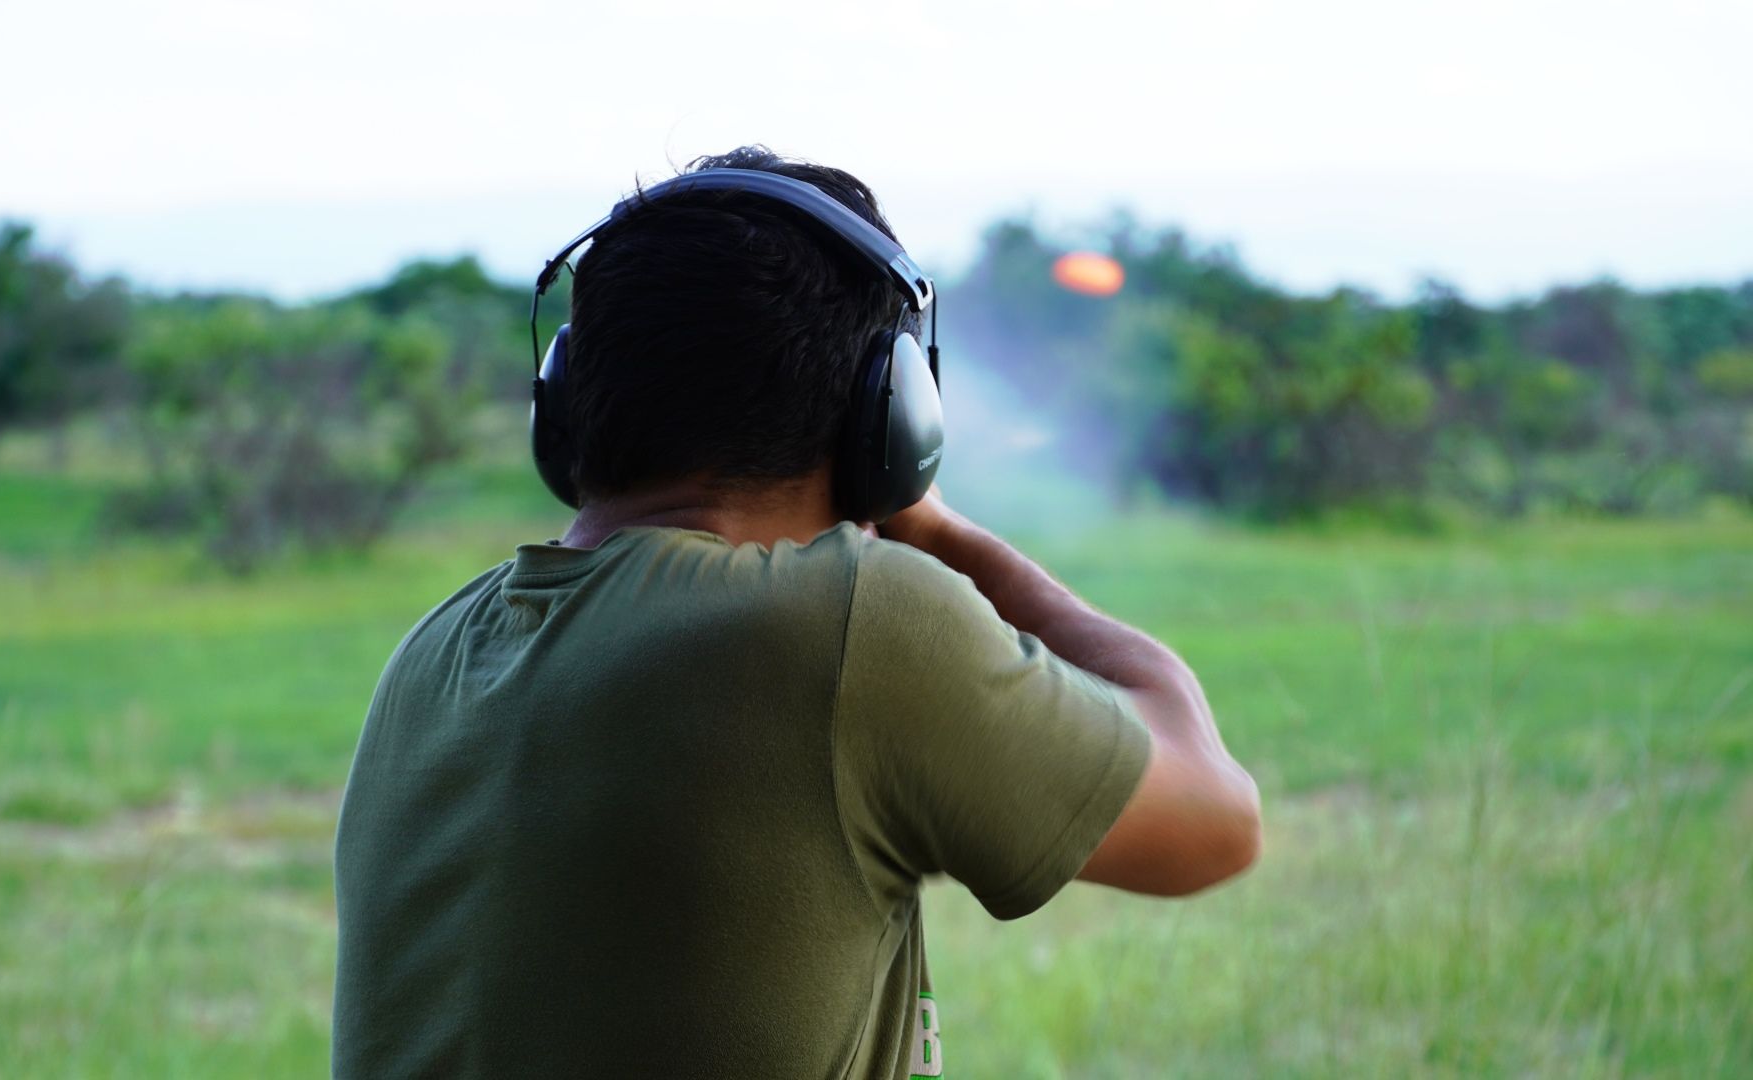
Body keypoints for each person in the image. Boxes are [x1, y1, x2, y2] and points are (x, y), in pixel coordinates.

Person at [331, 145, 1260, 1079]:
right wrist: (929, 528)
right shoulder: (843, 626)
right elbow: (1214, 822)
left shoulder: (434, 650)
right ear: (892, 424)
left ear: (569, 399)